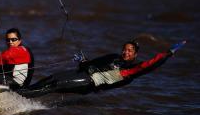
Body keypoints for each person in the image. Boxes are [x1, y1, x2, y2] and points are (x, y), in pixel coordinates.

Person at [17, 40, 186, 98]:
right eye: (125, 49)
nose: (126, 52)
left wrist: (169, 53)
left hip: (89, 83)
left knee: (54, 85)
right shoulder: (113, 56)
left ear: (135, 55)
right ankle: (23, 92)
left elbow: (150, 64)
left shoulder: (131, 71)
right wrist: (82, 60)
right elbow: (89, 64)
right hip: (81, 74)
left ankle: (20, 96)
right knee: (50, 78)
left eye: (130, 51)